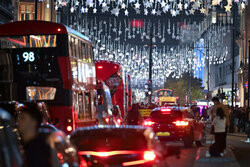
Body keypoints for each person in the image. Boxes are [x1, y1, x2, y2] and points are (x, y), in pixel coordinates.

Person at [17, 102, 53, 167]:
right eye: (18, 118)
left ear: (34, 122)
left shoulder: (36, 149)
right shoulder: (30, 146)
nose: (18, 122)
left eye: (23, 118)